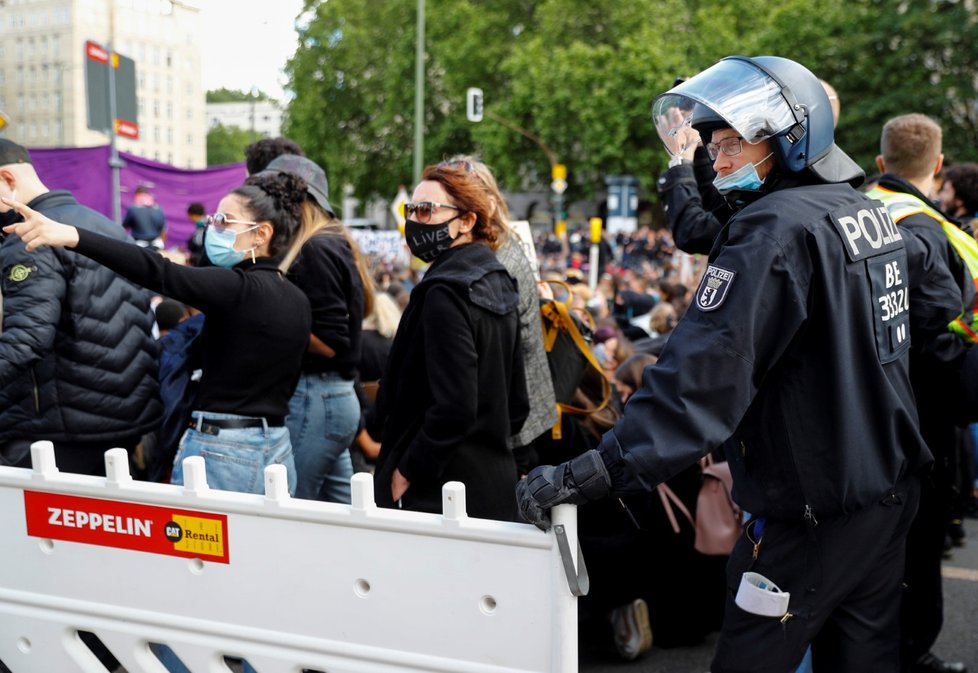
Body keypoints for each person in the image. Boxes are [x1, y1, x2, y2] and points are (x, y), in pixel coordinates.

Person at [517, 55, 931, 672]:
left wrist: (593, 471)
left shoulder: (772, 232)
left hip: (810, 513)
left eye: (734, 144)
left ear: (791, 138)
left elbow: (699, 383)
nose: (719, 160)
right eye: (714, 146)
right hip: (885, 492)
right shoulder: (859, 210)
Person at [3, 170, 311, 496]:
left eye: (225, 220)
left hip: (224, 450)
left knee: (199, 547)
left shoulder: (239, 290)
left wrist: (72, 236)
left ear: (261, 233)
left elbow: (159, 271)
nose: (213, 228)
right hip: (275, 445)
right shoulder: (296, 297)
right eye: (212, 219)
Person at [866, 113, 972, 673]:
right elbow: (944, 348)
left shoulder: (851, 214)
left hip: (860, 416)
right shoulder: (935, 232)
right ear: (938, 164)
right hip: (923, 424)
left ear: (880, 164)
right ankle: (910, 654)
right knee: (915, 549)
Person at [371, 163, 528, 521]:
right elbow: (516, 404)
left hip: (441, 489)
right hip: (491, 481)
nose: (415, 219)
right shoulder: (498, 279)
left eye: (426, 210)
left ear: (467, 221)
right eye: (410, 210)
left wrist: (408, 470)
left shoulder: (445, 290)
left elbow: (454, 406)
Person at [0, 139, 161, 476]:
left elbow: (25, 339)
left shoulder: (31, 237)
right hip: (125, 419)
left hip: (59, 431)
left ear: (7, 179)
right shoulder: (104, 225)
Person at [259, 153, 373, 503]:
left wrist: (273, 321)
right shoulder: (325, 243)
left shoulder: (315, 249)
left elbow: (331, 342)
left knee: (293, 509)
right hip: (328, 399)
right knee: (341, 516)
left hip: (316, 397)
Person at [442, 154, 558, 469]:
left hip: (511, 424)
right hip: (514, 416)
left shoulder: (496, 262)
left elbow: (494, 352)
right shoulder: (499, 246)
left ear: (486, 204)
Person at [659, 79, 842, 256]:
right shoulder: (834, 191)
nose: (718, 164)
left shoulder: (774, 213)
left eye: (732, 143)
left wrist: (680, 161)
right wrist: (699, 144)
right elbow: (717, 206)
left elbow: (694, 232)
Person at [123, 185, 167, 249]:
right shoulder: (158, 209)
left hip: (139, 246)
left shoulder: (133, 209)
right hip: (157, 246)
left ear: (136, 195)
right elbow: (163, 231)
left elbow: (124, 228)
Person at [185, 201, 208, 266]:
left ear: (194, 215)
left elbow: (201, 248)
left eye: (189, 216)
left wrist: (193, 258)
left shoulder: (204, 227)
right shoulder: (200, 227)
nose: (189, 218)